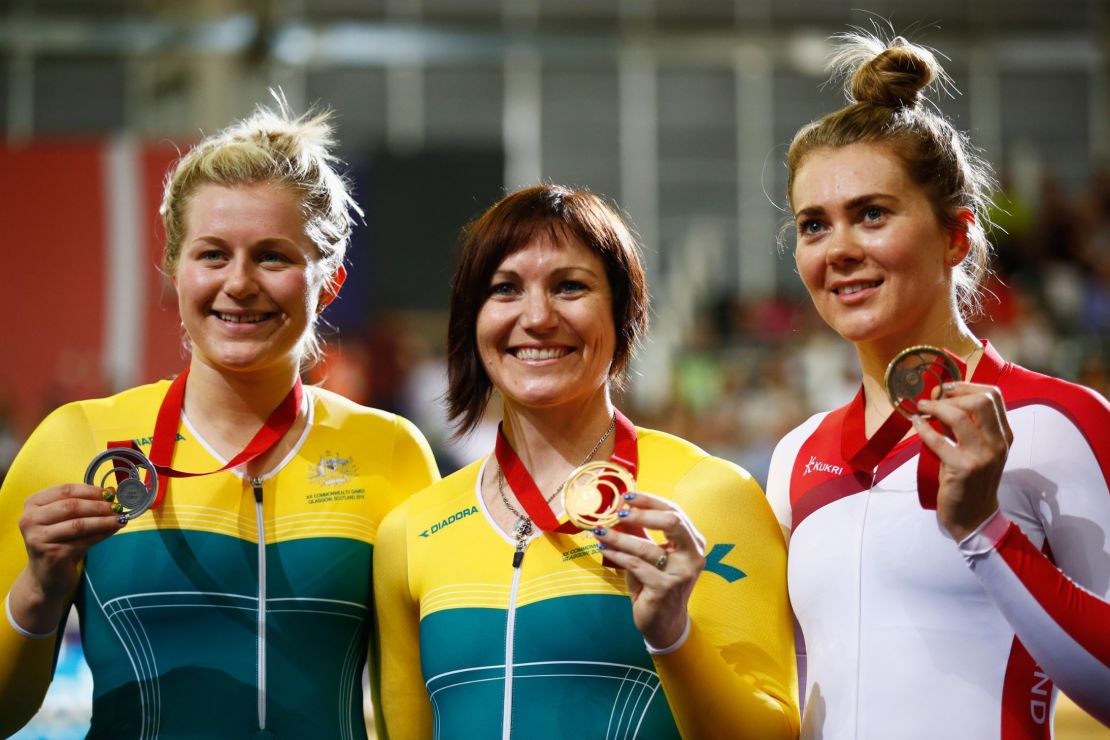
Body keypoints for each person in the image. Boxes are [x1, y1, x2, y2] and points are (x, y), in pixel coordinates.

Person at [0, 99, 440, 738]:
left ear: (331, 281)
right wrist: (40, 587)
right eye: (212, 254)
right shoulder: (77, 442)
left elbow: (414, 717)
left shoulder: (391, 453)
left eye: (273, 256)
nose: (239, 283)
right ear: (173, 271)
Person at [766, 30, 1110, 739]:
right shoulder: (797, 454)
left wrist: (985, 530)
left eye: (872, 213)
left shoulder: (1059, 421)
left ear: (957, 236)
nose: (840, 251)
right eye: (813, 225)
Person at [373, 184, 800, 739]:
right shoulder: (412, 532)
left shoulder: (705, 497)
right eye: (504, 289)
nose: (537, 317)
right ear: (471, 321)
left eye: (569, 286)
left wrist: (672, 635)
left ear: (623, 312)